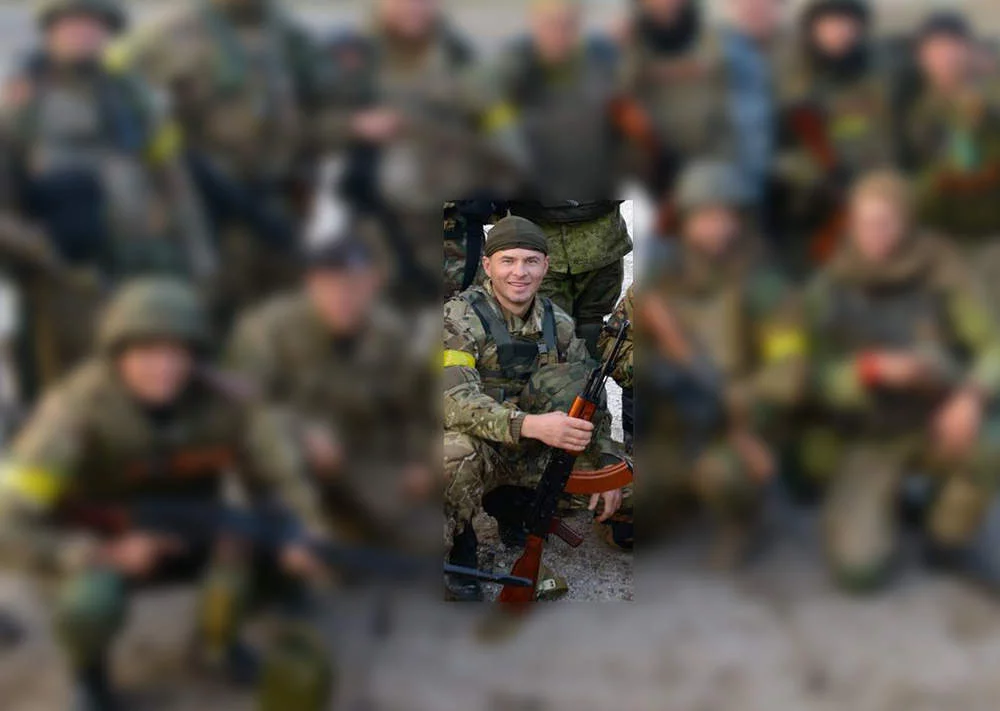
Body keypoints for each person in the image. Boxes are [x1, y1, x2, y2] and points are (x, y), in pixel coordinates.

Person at [0, 278, 331, 710]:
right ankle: (90, 674)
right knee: (88, 606)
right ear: (117, 355)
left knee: (266, 547)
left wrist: (304, 529)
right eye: (146, 352)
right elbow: (8, 516)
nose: (164, 367)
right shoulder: (73, 411)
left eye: (177, 351)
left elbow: (281, 478)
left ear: (196, 354)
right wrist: (91, 552)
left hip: (196, 528)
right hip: (106, 538)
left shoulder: (229, 403)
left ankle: (219, 640)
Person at [0, 0, 213, 396]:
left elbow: (174, 183)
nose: (82, 33)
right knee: (60, 389)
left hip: (135, 266)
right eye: (70, 24)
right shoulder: (20, 104)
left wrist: (200, 261)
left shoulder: (133, 96)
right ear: (50, 32)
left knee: (141, 381)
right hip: (60, 280)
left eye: (92, 24)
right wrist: (44, 250)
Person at [804, 170, 1000, 592]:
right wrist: (867, 370)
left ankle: (946, 537)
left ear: (907, 223)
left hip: (938, 418)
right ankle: (894, 501)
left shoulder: (941, 268)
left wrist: (970, 396)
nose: (873, 235)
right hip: (872, 434)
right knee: (858, 575)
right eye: (863, 223)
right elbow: (813, 375)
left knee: (993, 444)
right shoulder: (832, 283)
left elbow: (993, 346)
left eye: (885, 223)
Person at [107, 0, 333, 324]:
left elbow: (322, 96)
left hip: (277, 193)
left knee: (288, 299)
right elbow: (112, 78)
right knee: (214, 300)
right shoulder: (171, 30)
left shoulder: (284, 30)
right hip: (207, 196)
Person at [442, 215, 626, 601]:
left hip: (539, 454)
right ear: (487, 265)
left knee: (631, 492)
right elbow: (453, 400)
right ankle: (461, 546)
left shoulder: (559, 323)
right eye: (507, 261)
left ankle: (517, 509)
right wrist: (530, 425)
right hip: (484, 450)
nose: (519, 273)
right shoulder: (458, 317)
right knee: (449, 456)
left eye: (530, 261)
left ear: (546, 266)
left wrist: (608, 460)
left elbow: (591, 400)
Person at [638, 161, 805, 567]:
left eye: (723, 216)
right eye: (704, 217)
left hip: (735, 425)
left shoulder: (763, 283)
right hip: (673, 429)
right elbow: (628, 350)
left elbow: (789, 366)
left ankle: (740, 522)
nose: (714, 228)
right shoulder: (663, 279)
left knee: (725, 475)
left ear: (738, 220)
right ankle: (674, 502)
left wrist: (742, 399)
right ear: (685, 221)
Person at [227, 233, 437, 550]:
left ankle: (349, 531)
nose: (343, 297)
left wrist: (421, 462)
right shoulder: (266, 329)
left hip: (360, 456)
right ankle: (305, 531)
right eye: (331, 285)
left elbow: (414, 406)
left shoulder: (389, 334)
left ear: (374, 284)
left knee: (430, 538)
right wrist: (303, 428)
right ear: (310, 285)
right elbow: (246, 405)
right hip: (281, 460)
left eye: (354, 285)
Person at [326, 0, 525, 306]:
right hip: (379, 220)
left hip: (451, 217)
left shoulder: (457, 55)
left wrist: (507, 170)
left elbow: (497, 120)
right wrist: (353, 125)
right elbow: (311, 121)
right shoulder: (356, 56)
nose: (413, 7)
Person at [493, 0, 633, 359]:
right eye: (549, 24)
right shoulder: (510, 77)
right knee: (544, 338)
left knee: (595, 334)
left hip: (599, 239)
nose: (558, 33)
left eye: (566, 24)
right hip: (539, 240)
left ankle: (592, 395)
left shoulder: (606, 73)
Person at [773, 0, 896, 274]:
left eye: (847, 22)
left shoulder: (882, 76)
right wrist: (821, 177)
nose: (840, 31)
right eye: (829, 23)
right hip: (819, 202)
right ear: (813, 30)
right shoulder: (794, 87)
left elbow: (892, 138)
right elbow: (780, 154)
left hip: (877, 194)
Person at [903, 12, 1000, 310]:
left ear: (970, 51)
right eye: (935, 49)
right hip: (939, 231)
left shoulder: (990, 97)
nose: (945, 58)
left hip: (990, 230)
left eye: (953, 47)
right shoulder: (913, 106)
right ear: (921, 57)